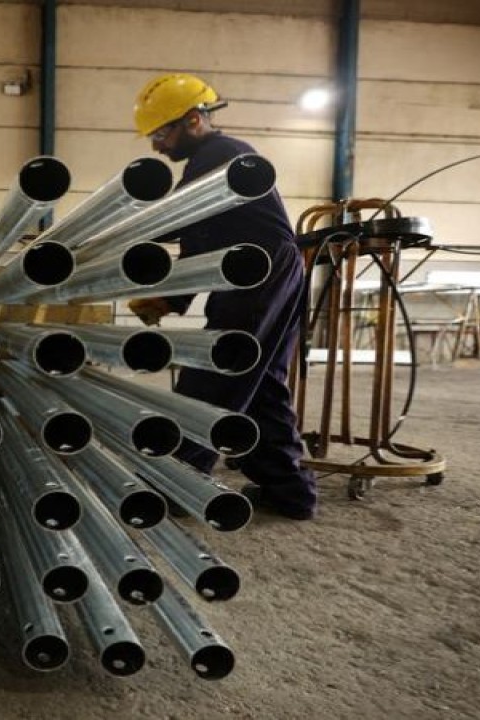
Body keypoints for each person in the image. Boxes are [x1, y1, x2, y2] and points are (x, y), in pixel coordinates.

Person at [127, 73, 317, 520]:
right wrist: (174, 299)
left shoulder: (222, 156)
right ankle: (290, 493)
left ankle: (178, 483)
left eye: (160, 133)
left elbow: (178, 221)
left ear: (193, 119)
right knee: (263, 383)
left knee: (215, 371)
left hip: (258, 270)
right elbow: (199, 239)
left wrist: (114, 234)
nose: (156, 146)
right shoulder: (212, 162)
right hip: (260, 271)